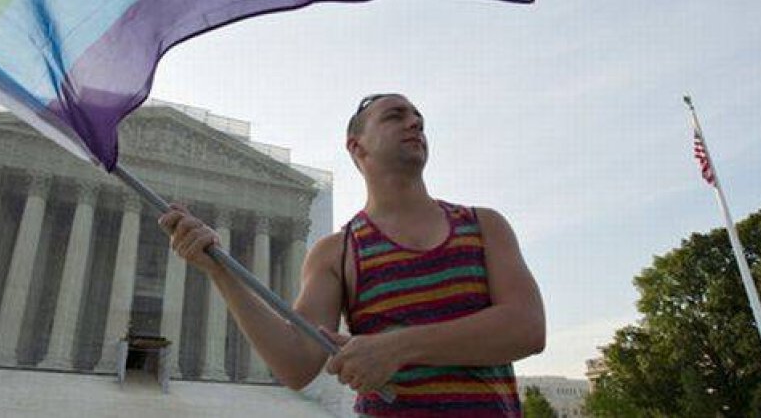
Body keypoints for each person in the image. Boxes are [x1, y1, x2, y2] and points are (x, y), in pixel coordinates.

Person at [160, 93, 545, 416]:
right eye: (396, 116)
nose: (415, 124)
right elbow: (297, 363)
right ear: (356, 146)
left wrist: (396, 347)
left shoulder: (484, 226)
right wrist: (221, 273)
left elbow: (527, 328)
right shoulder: (337, 251)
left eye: (419, 120)